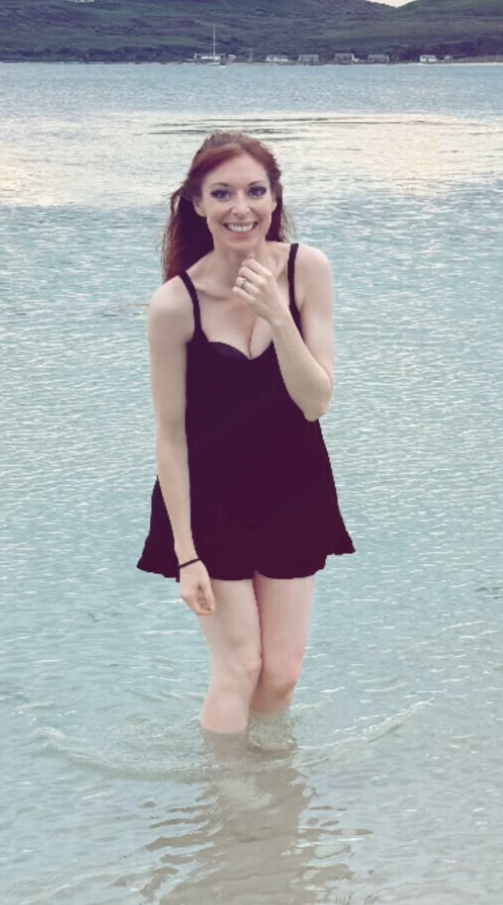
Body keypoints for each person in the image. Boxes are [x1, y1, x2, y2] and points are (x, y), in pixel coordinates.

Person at [136, 131, 355, 735]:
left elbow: (315, 402)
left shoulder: (307, 270)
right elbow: (170, 438)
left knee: (281, 673)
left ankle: (268, 784)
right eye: (222, 193)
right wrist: (186, 554)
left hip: (294, 490)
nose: (242, 208)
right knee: (239, 667)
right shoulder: (175, 304)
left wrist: (278, 317)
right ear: (197, 204)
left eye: (256, 191)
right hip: (210, 502)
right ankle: (228, 791)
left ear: (275, 198)